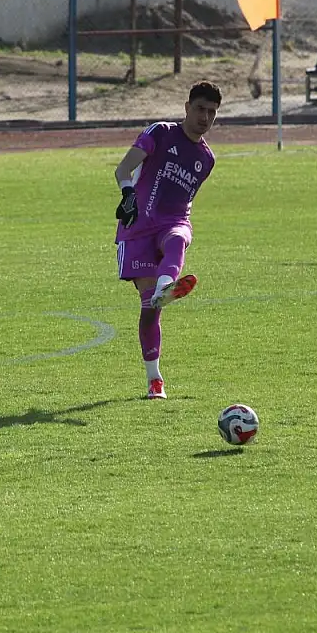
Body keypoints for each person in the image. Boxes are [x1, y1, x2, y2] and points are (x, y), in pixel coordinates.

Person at [113, 80, 221, 400]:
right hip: (138, 227)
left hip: (175, 221)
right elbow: (123, 168)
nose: (205, 117)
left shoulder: (207, 160)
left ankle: (165, 285)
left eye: (212, 113)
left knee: (177, 238)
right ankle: (154, 378)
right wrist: (128, 193)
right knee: (149, 309)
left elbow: (182, 200)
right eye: (200, 109)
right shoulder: (159, 132)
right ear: (187, 108)